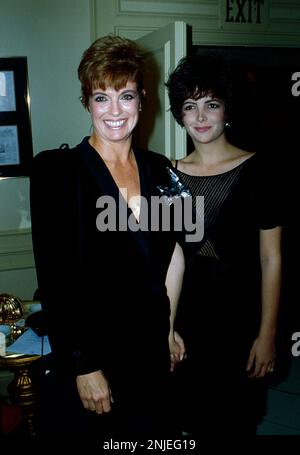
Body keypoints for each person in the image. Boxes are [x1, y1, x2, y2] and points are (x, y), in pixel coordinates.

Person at [30, 35, 184, 438]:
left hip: (151, 351)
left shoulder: (161, 170)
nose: (115, 111)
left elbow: (170, 257)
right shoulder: (56, 171)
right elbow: (55, 277)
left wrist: (168, 329)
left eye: (126, 96)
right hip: (94, 356)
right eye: (102, 97)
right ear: (86, 102)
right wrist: (83, 364)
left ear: (142, 99)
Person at [165, 52, 283, 435]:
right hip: (188, 322)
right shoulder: (167, 175)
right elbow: (170, 260)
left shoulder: (262, 170)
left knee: (236, 422)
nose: (200, 117)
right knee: (191, 420)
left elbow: (271, 259)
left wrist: (267, 334)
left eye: (210, 105)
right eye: (190, 106)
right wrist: (166, 328)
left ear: (226, 109)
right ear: (179, 115)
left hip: (240, 321)